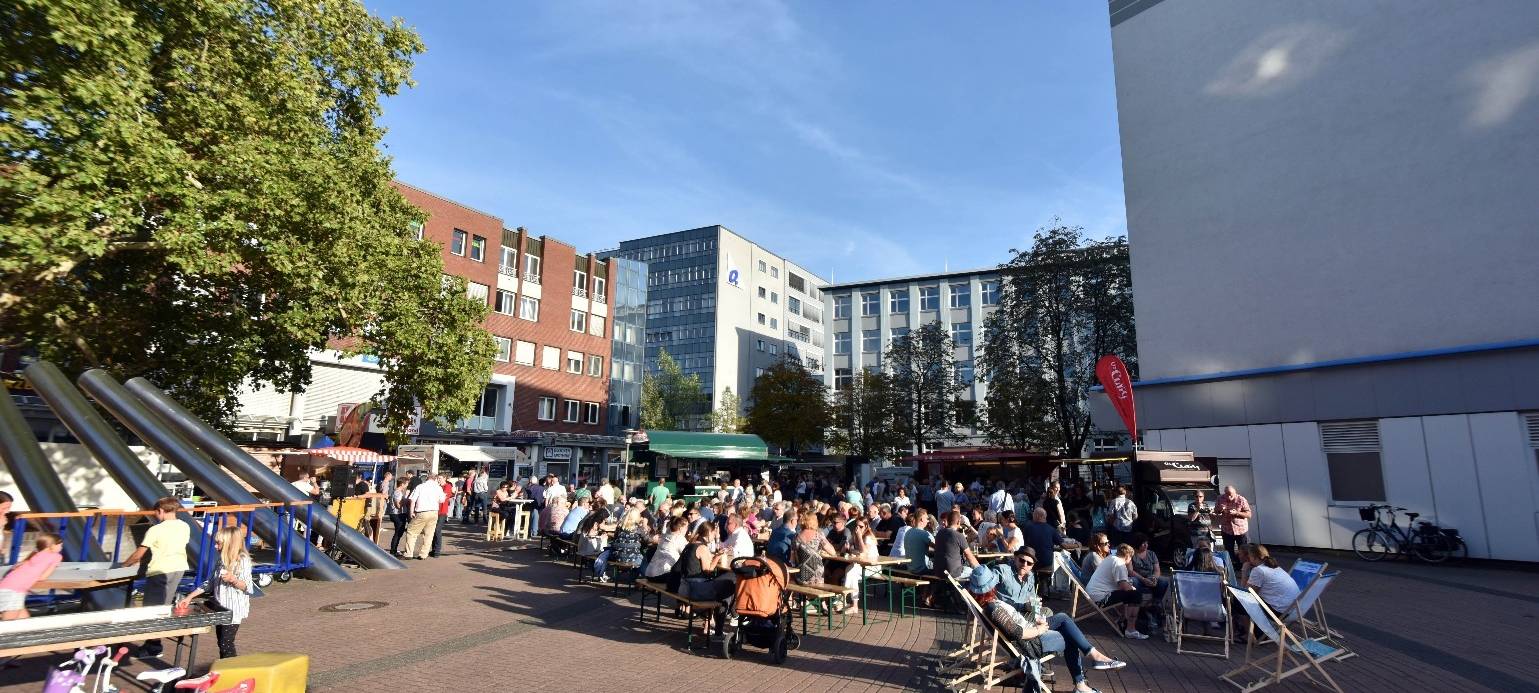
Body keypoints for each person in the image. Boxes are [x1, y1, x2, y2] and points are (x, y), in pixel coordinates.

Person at [966, 565, 1127, 693]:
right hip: (1030, 643)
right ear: (991, 586)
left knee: (1063, 618)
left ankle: (1092, 660)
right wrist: (1040, 629)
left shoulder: (989, 604)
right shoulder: (993, 609)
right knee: (1070, 637)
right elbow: (1017, 633)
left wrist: (1033, 620)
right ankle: (1084, 677)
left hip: (1030, 631)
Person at [122, 497, 191, 656]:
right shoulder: (184, 526)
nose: (155, 516)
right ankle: (153, 642)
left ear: (160, 510)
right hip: (179, 568)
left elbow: (139, 554)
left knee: (152, 609)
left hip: (160, 571)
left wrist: (123, 566)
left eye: (156, 513)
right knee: (163, 606)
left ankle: (153, 646)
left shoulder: (155, 530)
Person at [176, 526, 253, 658]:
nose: (216, 546)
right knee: (221, 643)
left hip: (233, 610)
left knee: (226, 643)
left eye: (219, 543)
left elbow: (247, 587)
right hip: (221, 608)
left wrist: (233, 579)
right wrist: (189, 597)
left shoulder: (242, 560)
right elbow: (210, 582)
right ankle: (226, 667)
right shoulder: (221, 560)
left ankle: (232, 668)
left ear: (230, 544)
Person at [675, 523, 734, 631]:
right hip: (695, 590)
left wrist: (715, 556)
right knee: (728, 587)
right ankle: (719, 628)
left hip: (683, 587)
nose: (715, 536)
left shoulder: (690, 544)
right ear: (709, 533)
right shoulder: (702, 548)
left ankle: (709, 622)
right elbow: (708, 571)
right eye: (714, 533)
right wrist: (718, 557)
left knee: (719, 585)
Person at [1085, 544, 1149, 639]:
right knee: (1136, 595)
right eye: (1131, 558)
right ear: (1127, 556)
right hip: (1100, 598)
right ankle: (1130, 630)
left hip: (1093, 594)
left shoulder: (1110, 558)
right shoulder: (1119, 564)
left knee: (1128, 594)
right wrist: (1133, 589)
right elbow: (1124, 586)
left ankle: (1123, 620)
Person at [0, 533, 63, 620]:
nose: (61, 548)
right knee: (9, 623)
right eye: (60, 545)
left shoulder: (34, 554)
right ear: (52, 546)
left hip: (6, 586)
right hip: (14, 591)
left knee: (24, 619)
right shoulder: (56, 556)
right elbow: (42, 577)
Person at [1022, 508, 1075, 594]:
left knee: (1035, 561)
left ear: (1038, 516)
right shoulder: (1051, 529)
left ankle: (1038, 586)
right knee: (1047, 560)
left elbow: (1024, 542)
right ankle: (1044, 584)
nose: (1032, 516)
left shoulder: (1027, 527)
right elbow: (1064, 545)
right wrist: (1077, 545)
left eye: (1034, 515)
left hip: (1031, 559)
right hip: (1045, 561)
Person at [1241, 545, 1299, 614]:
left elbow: (1246, 593)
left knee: (1240, 602)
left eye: (1250, 557)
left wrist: (1244, 570)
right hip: (1296, 610)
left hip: (1280, 612)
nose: (1249, 559)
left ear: (1254, 557)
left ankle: (1246, 620)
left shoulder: (1258, 570)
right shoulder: (1276, 567)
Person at [840, 516, 880, 615]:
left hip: (872, 567)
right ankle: (850, 603)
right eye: (856, 526)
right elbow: (847, 549)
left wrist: (859, 537)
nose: (858, 528)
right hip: (860, 565)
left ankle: (844, 599)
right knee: (850, 570)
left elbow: (864, 551)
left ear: (866, 526)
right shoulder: (855, 536)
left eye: (861, 526)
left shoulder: (868, 537)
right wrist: (847, 547)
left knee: (851, 570)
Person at [1129, 535, 1168, 634]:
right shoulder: (1131, 554)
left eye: (1146, 543)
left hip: (1150, 578)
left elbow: (1157, 569)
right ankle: (1138, 603)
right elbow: (1130, 571)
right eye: (1143, 543)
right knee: (1133, 581)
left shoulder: (1151, 554)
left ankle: (1155, 603)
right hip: (1139, 578)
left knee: (1163, 581)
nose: (1146, 545)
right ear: (1137, 544)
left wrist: (1154, 578)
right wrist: (1143, 579)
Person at [401, 473, 446, 560]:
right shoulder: (438, 487)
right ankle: (423, 554)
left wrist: (411, 512)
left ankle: (408, 553)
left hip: (421, 511)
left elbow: (413, 500)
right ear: (435, 479)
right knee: (429, 534)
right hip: (434, 512)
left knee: (412, 532)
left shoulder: (420, 486)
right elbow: (442, 500)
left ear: (427, 478)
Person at [645, 516, 691, 593]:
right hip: (663, 575)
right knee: (686, 578)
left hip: (649, 574)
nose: (687, 530)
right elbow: (688, 554)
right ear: (680, 528)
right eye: (686, 527)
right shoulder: (679, 538)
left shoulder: (665, 535)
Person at [934, 510, 979, 582]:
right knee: (975, 573)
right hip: (953, 573)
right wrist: (980, 568)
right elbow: (969, 555)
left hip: (938, 572)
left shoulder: (939, 533)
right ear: (958, 522)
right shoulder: (958, 535)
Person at [1215, 486, 1253, 554]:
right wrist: (1220, 509)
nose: (1228, 497)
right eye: (1226, 495)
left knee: (1245, 552)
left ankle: (1242, 561)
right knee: (1229, 552)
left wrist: (1237, 513)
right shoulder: (1220, 498)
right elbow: (1216, 511)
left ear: (1235, 493)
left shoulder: (1241, 500)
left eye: (1231, 495)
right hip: (1226, 530)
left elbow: (1249, 515)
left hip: (1241, 530)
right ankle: (1232, 561)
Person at [387, 479, 411, 555]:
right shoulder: (397, 492)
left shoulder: (398, 492)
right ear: (402, 484)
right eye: (406, 484)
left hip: (397, 514)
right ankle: (393, 551)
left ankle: (394, 550)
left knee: (399, 533)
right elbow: (398, 505)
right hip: (397, 514)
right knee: (398, 533)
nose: (407, 485)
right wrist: (406, 499)